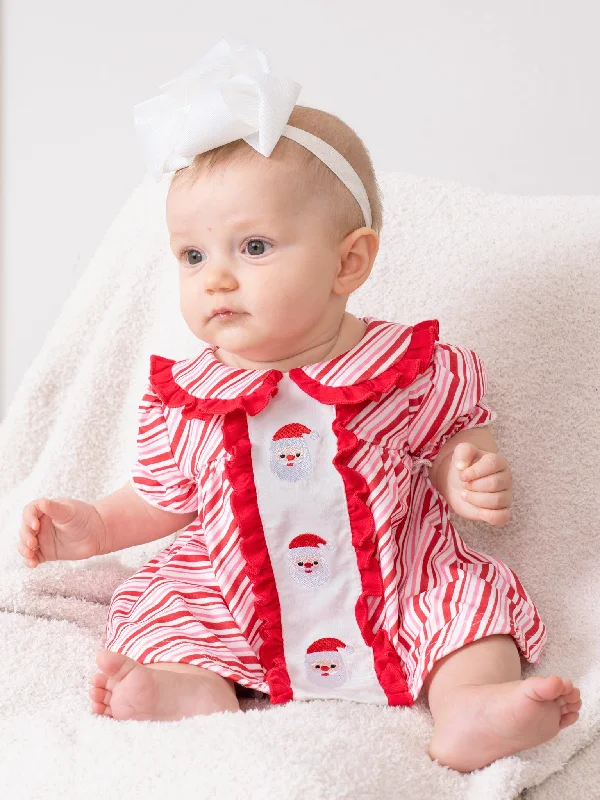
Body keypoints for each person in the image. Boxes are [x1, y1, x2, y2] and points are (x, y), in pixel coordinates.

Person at [16, 41, 580, 773]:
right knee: (168, 614)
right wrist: (94, 527)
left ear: (349, 262)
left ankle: (470, 706)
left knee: (467, 616)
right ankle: (192, 690)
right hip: (238, 589)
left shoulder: (404, 366)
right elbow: (165, 497)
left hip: (398, 580)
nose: (215, 279)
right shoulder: (187, 396)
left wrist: (465, 473)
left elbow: (456, 436)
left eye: (252, 247)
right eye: (193, 256)